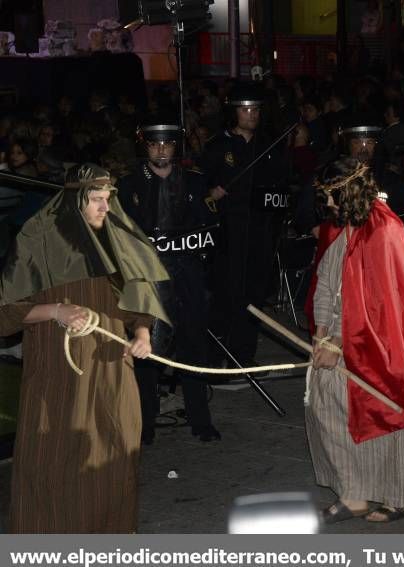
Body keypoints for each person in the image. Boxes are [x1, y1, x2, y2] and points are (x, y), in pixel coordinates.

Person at [0, 163, 169, 532]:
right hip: (57, 377)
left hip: (111, 371)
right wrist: (55, 310)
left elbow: (139, 307)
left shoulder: (117, 239)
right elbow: (5, 313)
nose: (104, 208)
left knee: (114, 460)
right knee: (53, 462)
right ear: (75, 200)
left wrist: (141, 334)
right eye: (96, 200)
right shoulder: (37, 239)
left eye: (108, 200)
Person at [304, 159, 404, 524]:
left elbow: (382, 302)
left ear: (345, 192)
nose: (327, 204)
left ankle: (403, 497)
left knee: (388, 415)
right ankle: (354, 494)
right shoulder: (344, 227)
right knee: (325, 404)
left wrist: (340, 343)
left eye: (330, 196)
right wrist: (321, 334)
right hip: (340, 337)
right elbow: (328, 282)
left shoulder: (383, 227)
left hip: (380, 344)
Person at [117, 117, 220, 444]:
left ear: (176, 146)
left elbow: (211, 230)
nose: (161, 149)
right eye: (153, 143)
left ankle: (200, 419)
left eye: (167, 143)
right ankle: (144, 423)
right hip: (147, 279)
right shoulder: (129, 184)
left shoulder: (194, 181)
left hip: (187, 275)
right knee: (148, 351)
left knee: (194, 346)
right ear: (144, 145)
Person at [198, 83, 289, 365]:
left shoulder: (270, 146)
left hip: (259, 236)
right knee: (223, 295)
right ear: (234, 112)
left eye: (256, 109)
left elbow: (282, 188)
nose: (252, 114)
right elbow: (198, 188)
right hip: (226, 237)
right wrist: (210, 194)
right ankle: (214, 359)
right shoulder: (217, 146)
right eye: (245, 109)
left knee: (253, 297)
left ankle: (243, 357)